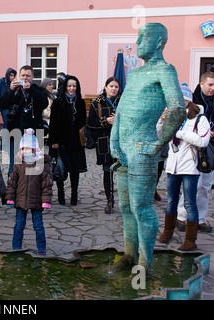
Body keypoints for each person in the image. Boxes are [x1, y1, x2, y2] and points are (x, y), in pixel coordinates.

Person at [109, 23, 186, 272]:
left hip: (143, 147)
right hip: (124, 147)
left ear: (159, 42)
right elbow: (120, 110)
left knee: (141, 207)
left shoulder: (165, 70)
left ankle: (145, 262)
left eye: (144, 37)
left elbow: (177, 108)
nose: (139, 41)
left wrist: (158, 143)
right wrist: (113, 140)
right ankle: (129, 256)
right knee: (125, 207)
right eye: (138, 36)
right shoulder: (135, 73)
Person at [157, 84, 210, 250]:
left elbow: (203, 141)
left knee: (189, 203)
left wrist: (179, 133)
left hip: (190, 168)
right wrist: (161, 121)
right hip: (173, 167)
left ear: (188, 99)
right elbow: (161, 136)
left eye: (182, 98)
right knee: (171, 201)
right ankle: (168, 231)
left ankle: (190, 240)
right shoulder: (173, 116)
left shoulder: (200, 119)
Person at [5, 129, 53, 256]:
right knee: (19, 225)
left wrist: (46, 201)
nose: (25, 152)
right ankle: (16, 247)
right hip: (21, 200)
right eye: (23, 149)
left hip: (36, 201)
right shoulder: (18, 164)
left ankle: (41, 248)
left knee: (38, 226)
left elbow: (46, 185)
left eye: (28, 149)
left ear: (34, 149)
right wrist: (10, 198)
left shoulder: (41, 165)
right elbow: (12, 182)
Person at [177, 71, 214, 233]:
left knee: (205, 186)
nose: (213, 88)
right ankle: (182, 217)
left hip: (211, 148)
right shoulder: (192, 101)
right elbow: (184, 124)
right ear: (201, 84)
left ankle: (201, 219)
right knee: (191, 185)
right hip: (192, 149)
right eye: (210, 85)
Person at [0, 65, 48, 177]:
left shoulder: (38, 90)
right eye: (23, 75)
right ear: (19, 76)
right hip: (15, 132)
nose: (25, 78)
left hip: (34, 134)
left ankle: (32, 191)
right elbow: (1, 104)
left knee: (34, 166)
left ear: (33, 77)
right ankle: (13, 192)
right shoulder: (14, 90)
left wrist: (30, 90)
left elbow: (44, 103)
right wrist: (10, 90)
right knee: (14, 166)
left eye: (28, 76)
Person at [48, 75, 87, 206]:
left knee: (75, 169)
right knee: (60, 168)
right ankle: (60, 194)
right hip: (61, 141)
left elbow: (83, 122)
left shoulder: (80, 102)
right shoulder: (58, 102)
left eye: (74, 86)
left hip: (75, 142)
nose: (71, 88)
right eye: (69, 86)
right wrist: (54, 141)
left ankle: (74, 195)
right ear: (65, 87)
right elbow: (53, 123)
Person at [86, 77, 121, 213]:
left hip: (121, 143)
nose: (113, 89)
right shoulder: (97, 103)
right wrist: (106, 121)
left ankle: (125, 201)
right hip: (104, 142)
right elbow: (90, 123)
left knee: (123, 172)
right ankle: (109, 200)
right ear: (106, 87)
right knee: (108, 171)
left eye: (116, 87)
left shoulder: (123, 102)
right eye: (111, 86)